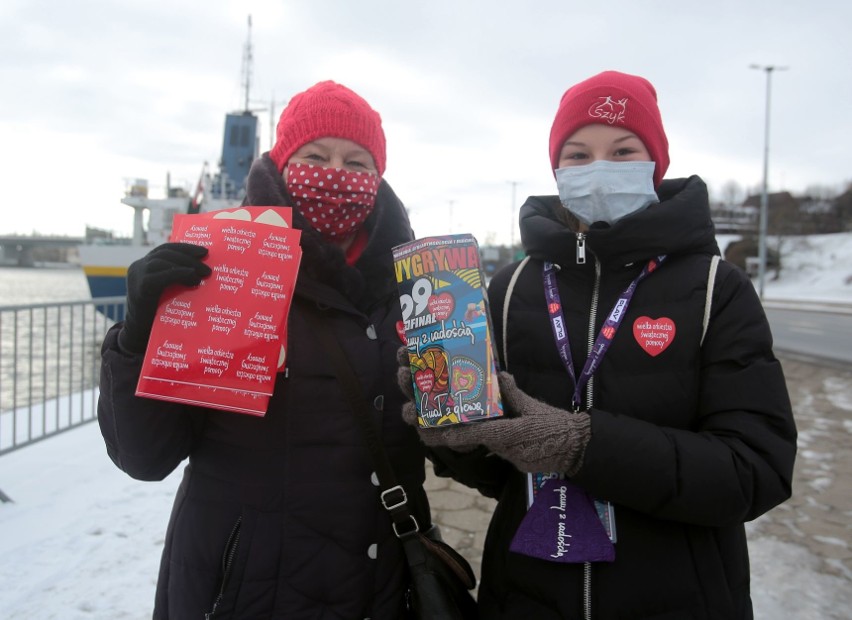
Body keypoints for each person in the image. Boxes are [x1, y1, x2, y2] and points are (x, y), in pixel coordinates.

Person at [398, 70, 797, 618]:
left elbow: (757, 471)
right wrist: (451, 430)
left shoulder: (714, 288)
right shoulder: (508, 289)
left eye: (623, 150)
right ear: (557, 169)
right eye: (579, 154)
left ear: (655, 162)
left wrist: (583, 446)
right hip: (526, 598)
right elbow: (498, 478)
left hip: (682, 598)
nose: (599, 169)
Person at [98, 81, 432, 619]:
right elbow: (145, 456)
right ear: (281, 161)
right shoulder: (220, 268)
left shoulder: (417, 285)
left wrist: (472, 396)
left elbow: (457, 449)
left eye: (356, 161)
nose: (335, 174)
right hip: (243, 587)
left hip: (381, 581)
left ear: (379, 177)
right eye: (315, 156)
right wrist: (138, 338)